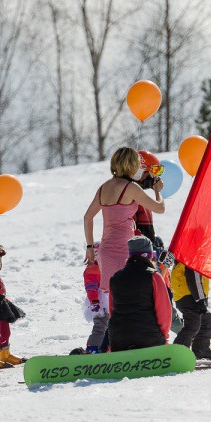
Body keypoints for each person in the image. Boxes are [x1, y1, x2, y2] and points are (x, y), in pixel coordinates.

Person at [83, 147, 165, 345]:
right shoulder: (131, 188)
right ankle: (118, 345)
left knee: (114, 302)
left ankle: (105, 347)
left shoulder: (104, 187)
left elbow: (87, 217)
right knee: (128, 300)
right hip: (124, 251)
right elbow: (160, 208)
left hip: (105, 251)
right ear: (131, 165)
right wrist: (157, 190)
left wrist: (90, 247)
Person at [108, 236, 172, 351]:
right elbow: (164, 311)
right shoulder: (154, 276)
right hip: (149, 338)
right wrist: (164, 336)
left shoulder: (115, 278)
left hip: (119, 337)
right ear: (149, 255)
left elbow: (112, 310)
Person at [170, 260, 211, 360]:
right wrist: (200, 300)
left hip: (186, 295)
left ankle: (201, 349)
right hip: (189, 297)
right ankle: (178, 354)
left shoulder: (190, 258)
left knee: (206, 320)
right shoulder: (192, 259)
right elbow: (194, 280)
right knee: (193, 325)